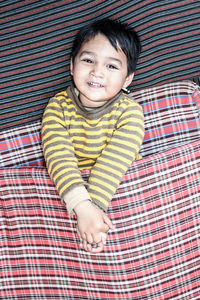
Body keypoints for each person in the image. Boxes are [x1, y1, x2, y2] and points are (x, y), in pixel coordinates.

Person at [41, 18, 144, 254]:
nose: (97, 72)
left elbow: (115, 162)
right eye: (88, 60)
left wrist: (93, 210)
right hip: (72, 195)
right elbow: (58, 157)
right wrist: (83, 208)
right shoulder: (57, 108)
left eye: (111, 66)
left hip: (114, 194)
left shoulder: (130, 112)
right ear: (71, 66)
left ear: (128, 79)